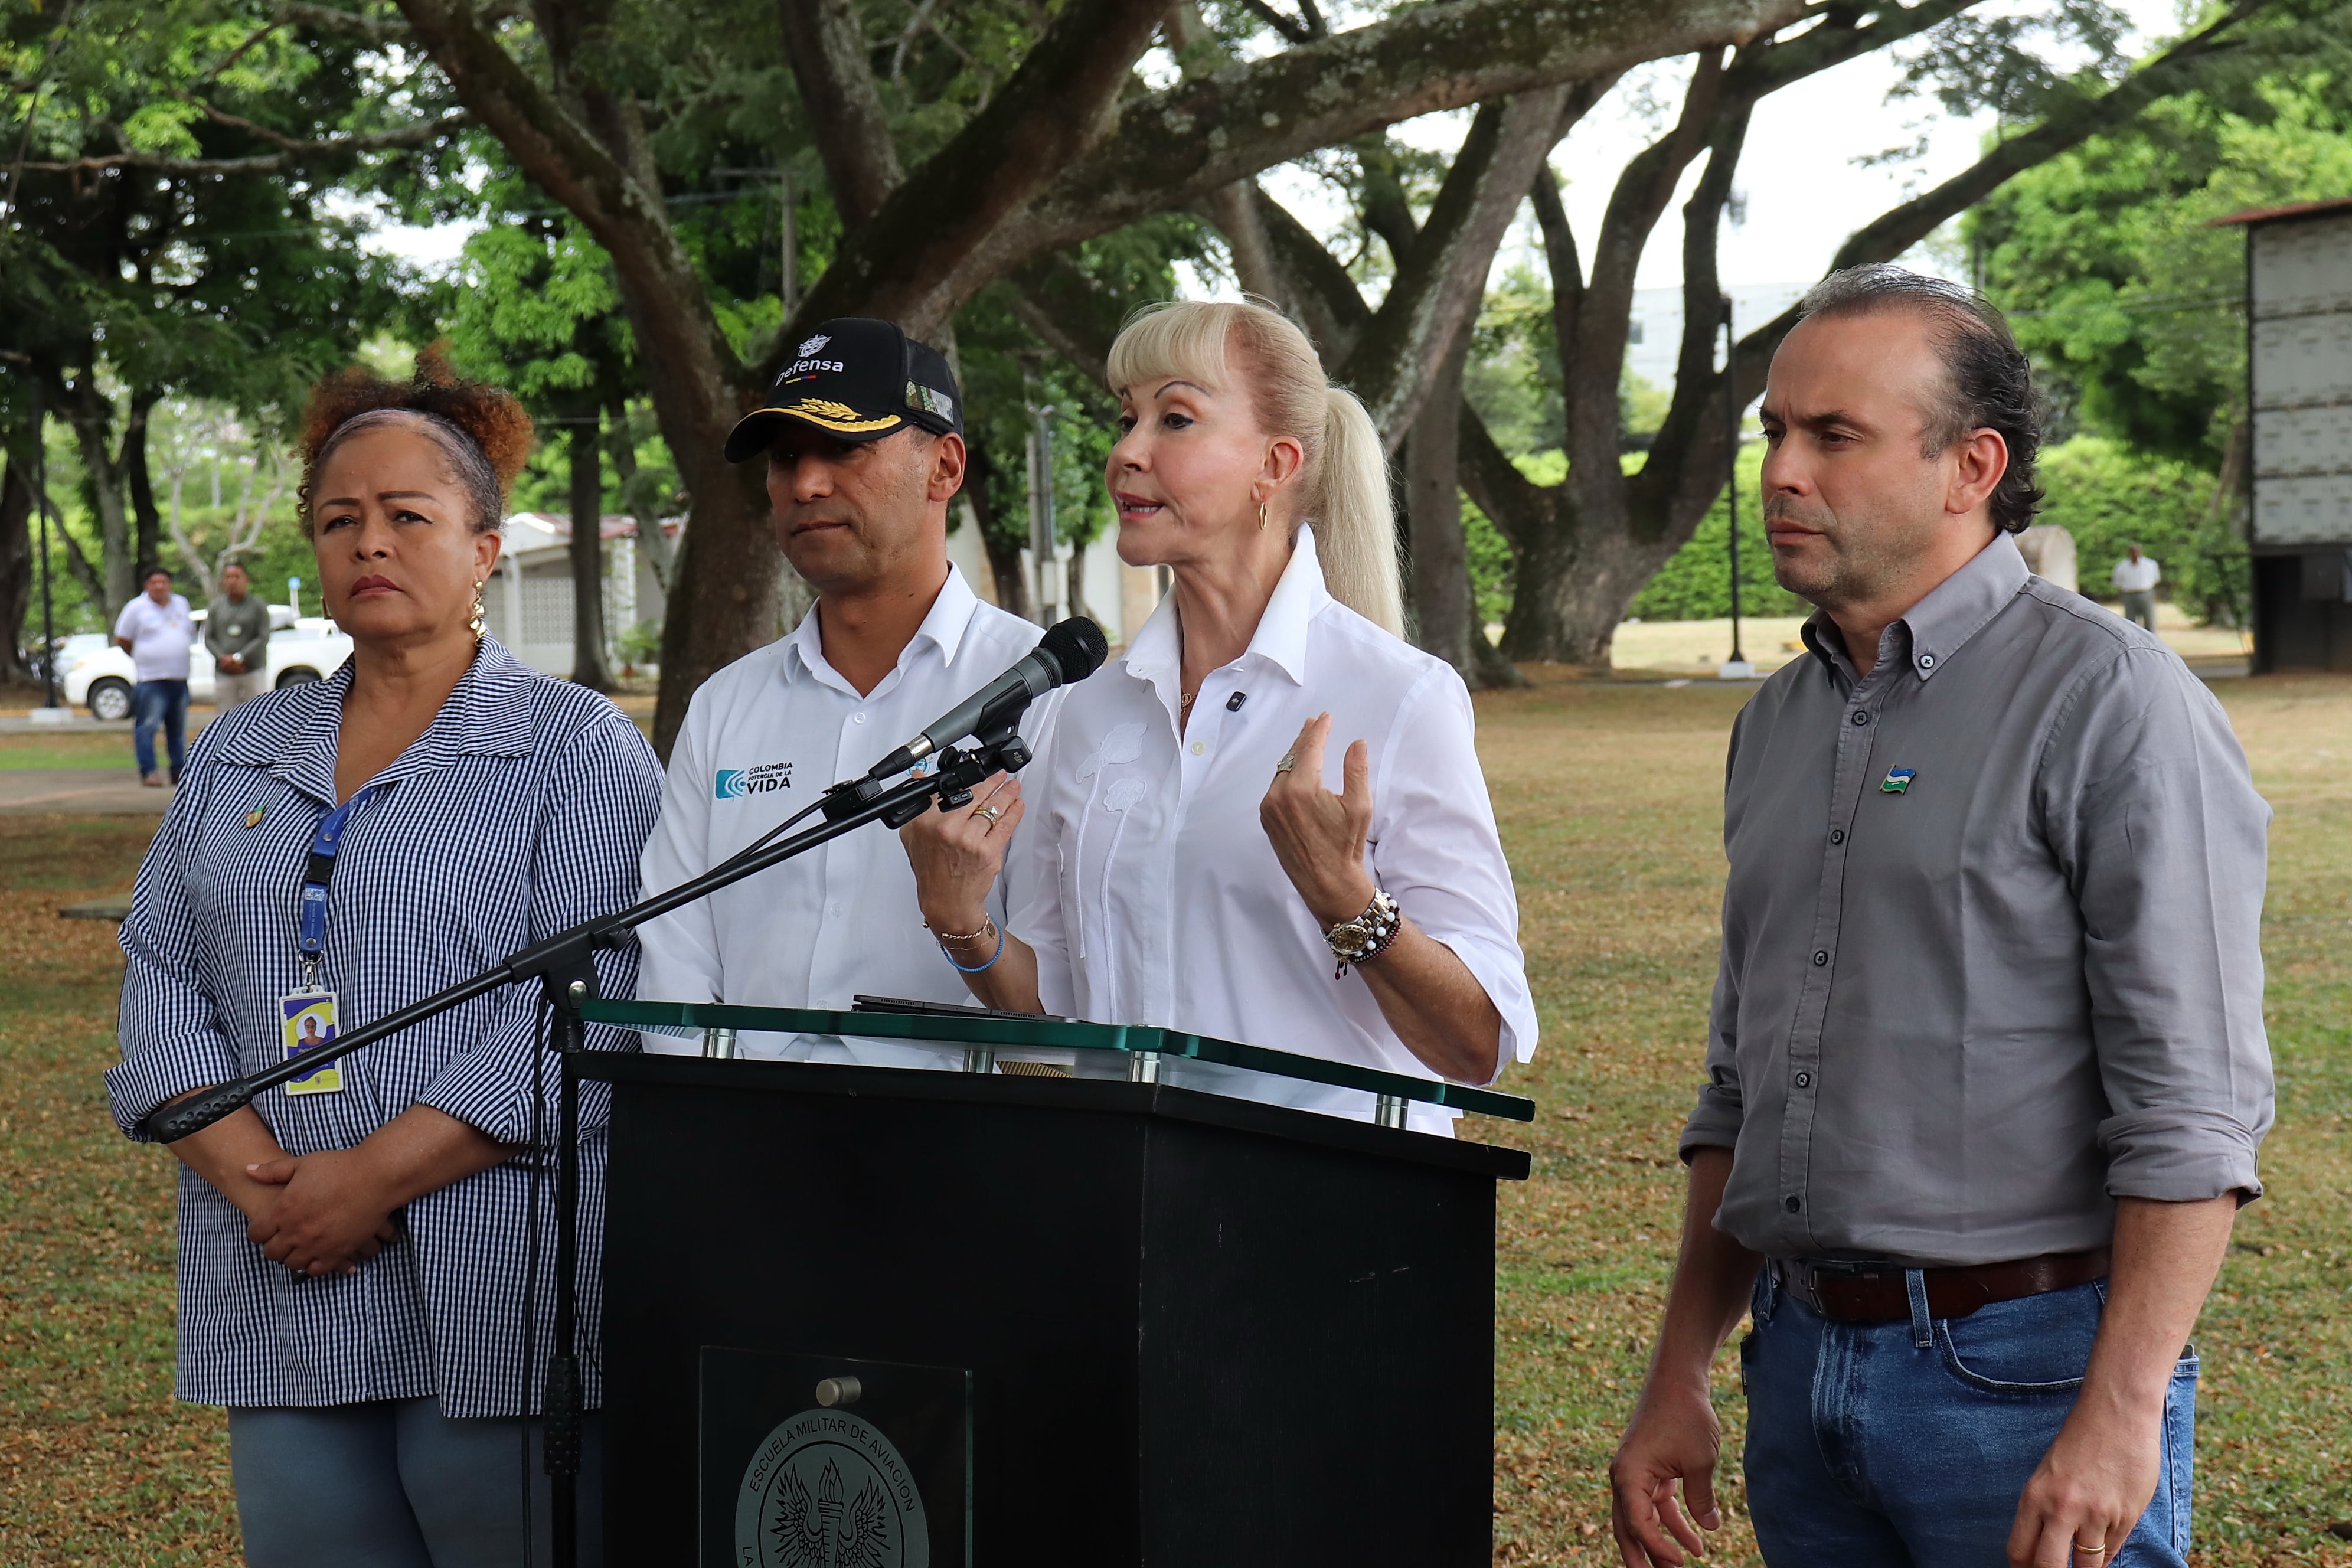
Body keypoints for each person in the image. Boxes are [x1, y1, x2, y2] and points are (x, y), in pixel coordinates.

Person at [1608, 266, 2271, 1568]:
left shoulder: (2112, 699)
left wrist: (2123, 1408)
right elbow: (1739, 1091)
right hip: (1797, 1368)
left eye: (1833, 436)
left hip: (2026, 1378)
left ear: (1972, 464)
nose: (1783, 471)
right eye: (1774, 432)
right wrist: (1681, 1366)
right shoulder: (1778, 725)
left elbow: (2194, 1104)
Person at [105, 351, 664, 1568]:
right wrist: (267, 1180)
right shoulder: (244, 748)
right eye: (340, 519)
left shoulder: (574, 747)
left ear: (484, 546)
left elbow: (599, 996)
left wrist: (366, 1178)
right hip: (284, 1271)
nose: (372, 542)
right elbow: (161, 977)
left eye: (410, 516)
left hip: (496, 1275)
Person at [897, 299, 1536, 1130]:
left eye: (1176, 419)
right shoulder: (1089, 710)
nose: (1127, 453)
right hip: (1133, 1195)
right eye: (1126, 419)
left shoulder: (1401, 697)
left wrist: (1350, 901)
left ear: (1273, 465)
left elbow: (1475, 1044)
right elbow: (1055, 1015)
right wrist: (963, 923)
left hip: (1329, 1209)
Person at [635, 317, 1051, 1064]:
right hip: (743, 1143)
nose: (806, 484)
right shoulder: (726, 705)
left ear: (945, 468)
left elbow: (1066, 989)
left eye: (844, 448)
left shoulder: (1044, 689)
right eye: (785, 458)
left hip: (957, 1147)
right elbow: (676, 965)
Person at [115, 565, 195, 785]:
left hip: (179, 678)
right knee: (148, 726)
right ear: (147, 585)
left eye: (164, 582)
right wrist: (145, 657)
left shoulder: (181, 604)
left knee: (177, 730)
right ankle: (148, 770)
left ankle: (178, 770)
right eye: (154, 583)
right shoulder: (136, 608)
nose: (159, 586)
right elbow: (123, 639)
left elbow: (188, 632)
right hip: (152, 679)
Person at [208, 559, 275, 710]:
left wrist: (239, 657)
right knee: (226, 715)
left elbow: (262, 637)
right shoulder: (216, 607)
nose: (232, 581)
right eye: (228, 577)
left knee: (256, 713)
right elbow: (209, 638)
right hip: (224, 672)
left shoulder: (258, 606)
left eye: (237, 576)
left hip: (251, 670)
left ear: (246, 579)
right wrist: (223, 658)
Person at [2112, 543, 2160, 632]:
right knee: (2130, 621)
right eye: (2133, 552)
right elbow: (2118, 582)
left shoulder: (2150, 564)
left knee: (2149, 618)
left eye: (2137, 551)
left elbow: (2155, 579)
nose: (2135, 554)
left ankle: (2151, 640)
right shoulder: (2122, 566)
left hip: (2145, 593)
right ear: (2129, 553)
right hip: (2129, 594)